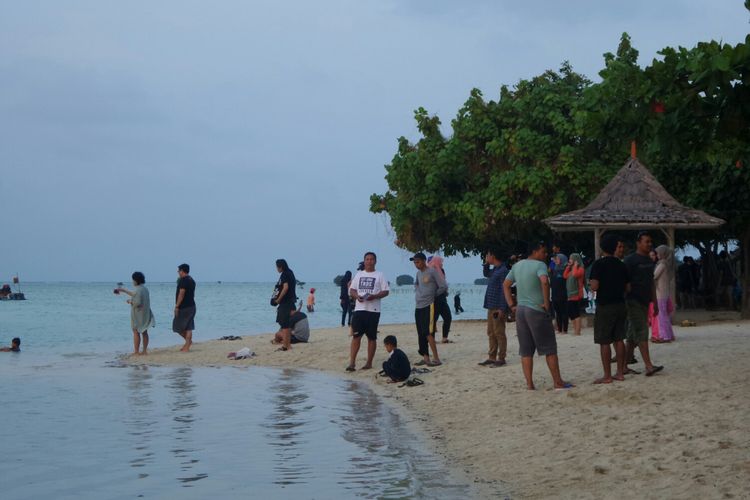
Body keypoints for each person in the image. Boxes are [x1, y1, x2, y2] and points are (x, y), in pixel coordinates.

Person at [503, 241, 573, 390]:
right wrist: (547, 303)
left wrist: (511, 305)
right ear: (535, 251)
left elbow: (506, 285)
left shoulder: (517, 265)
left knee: (526, 350)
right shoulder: (540, 265)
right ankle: (557, 382)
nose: (545, 254)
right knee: (549, 348)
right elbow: (544, 282)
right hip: (536, 309)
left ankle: (529, 384)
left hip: (520, 310)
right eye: (543, 251)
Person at [588, 234, 629, 384]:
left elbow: (594, 286)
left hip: (605, 305)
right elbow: (628, 287)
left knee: (604, 341)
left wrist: (590, 284)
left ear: (602, 248)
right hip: (620, 304)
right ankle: (620, 372)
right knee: (619, 339)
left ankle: (607, 375)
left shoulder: (598, 264)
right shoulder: (621, 264)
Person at [624, 233, 664, 376]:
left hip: (645, 301)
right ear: (638, 243)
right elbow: (624, 282)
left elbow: (651, 282)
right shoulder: (629, 260)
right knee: (641, 331)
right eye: (646, 242)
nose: (649, 244)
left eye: (650, 242)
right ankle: (648, 366)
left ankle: (624, 365)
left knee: (631, 335)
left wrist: (655, 302)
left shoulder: (648, 260)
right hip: (633, 300)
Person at [347, 252, 390, 371]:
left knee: (371, 337)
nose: (369, 261)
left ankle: (369, 362)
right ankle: (352, 363)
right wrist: (357, 297)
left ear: (375, 261)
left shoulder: (379, 275)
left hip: (373, 311)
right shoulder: (359, 274)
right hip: (359, 310)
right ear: (364, 261)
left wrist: (374, 296)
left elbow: (386, 291)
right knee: (356, 337)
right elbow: (352, 290)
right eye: (367, 259)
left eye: (371, 259)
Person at [411, 252, 446, 367]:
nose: (416, 264)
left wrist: (433, 295)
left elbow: (443, 286)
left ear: (424, 261)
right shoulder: (418, 273)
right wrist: (418, 292)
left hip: (429, 306)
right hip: (418, 306)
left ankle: (436, 358)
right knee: (421, 333)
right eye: (415, 262)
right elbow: (416, 284)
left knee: (428, 332)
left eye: (418, 261)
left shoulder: (432, 271)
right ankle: (426, 358)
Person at [479, 249, 510, 367]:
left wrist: (502, 308)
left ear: (493, 256)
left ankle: (501, 358)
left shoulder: (503, 270)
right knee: (491, 332)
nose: (486, 257)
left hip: (498, 306)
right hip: (491, 306)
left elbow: (504, 290)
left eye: (488, 255)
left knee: (499, 332)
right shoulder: (496, 270)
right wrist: (486, 263)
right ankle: (492, 357)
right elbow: (486, 274)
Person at [115, 271, 155, 355]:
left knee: (136, 331)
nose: (132, 281)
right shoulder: (144, 288)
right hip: (145, 313)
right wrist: (124, 291)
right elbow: (135, 294)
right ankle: (144, 351)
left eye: (133, 280)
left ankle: (136, 351)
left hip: (138, 314)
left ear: (136, 280)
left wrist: (130, 301)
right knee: (144, 331)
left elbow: (137, 302)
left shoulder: (138, 290)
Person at [271, 259, 297, 351]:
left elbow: (285, 288)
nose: (276, 269)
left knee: (285, 324)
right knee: (287, 324)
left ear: (280, 267)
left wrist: (278, 300)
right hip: (291, 301)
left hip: (285, 302)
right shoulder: (290, 272)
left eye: (277, 267)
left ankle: (286, 346)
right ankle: (288, 345)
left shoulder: (284, 274)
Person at [653, 245, 676, 343]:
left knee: (662, 316)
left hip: (660, 294)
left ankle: (665, 336)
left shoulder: (662, 265)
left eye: (658, 253)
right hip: (665, 293)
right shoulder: (667, 264)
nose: (656, 255)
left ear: (662, 254)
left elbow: (654, 276)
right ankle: (669, 335)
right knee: (664, 315)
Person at [428, 256, 453, 343]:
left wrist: (445, 291)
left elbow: (444, 283)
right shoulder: (430, 271)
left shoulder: (441, 271)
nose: (442, 264)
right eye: (440, 262)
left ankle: (444, 337)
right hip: (434, 298)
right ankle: (432, 339)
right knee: (433, 319)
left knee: (448, 317)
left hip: (442, 298)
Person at [172, 263, 196, 352]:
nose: (178, 272)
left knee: (177, 327)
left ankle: (188, 343)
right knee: (188, 327)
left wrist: (177, 306)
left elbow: (181, 294)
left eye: (179, 270)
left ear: (182, 271)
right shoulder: (191, 280)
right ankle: (187, 344)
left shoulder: (183, 280)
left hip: (184, 307)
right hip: (192, 306)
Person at [563, 253, 586, 336]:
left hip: (576, 294)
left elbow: (575, 274)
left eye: (571, 259)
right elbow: (565, 276)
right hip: (570, 295)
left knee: (576, 313)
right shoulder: (571, 269)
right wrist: (569, 267)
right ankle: (575, 329)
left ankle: (578, 331)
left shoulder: (580, 269)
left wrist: (575, 266)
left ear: (576, 260)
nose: (569, 260)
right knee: (571, 313)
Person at [551, 253, 569, 334]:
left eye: (557, 259)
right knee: (557, 313)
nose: (556, 260)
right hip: (555, 294)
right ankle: (559, 329)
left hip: (563, 294)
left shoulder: (566, 269)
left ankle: (565, 330)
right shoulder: (554, 269)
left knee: (564, 312)